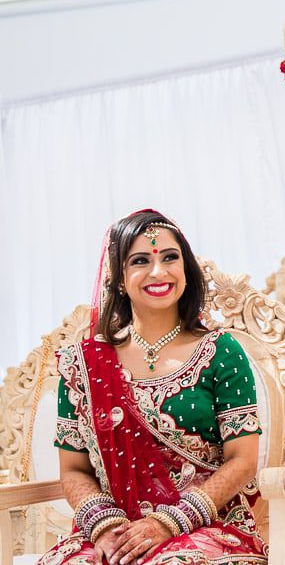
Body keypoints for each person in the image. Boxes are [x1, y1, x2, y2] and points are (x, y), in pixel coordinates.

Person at [40, 209, 266, 565]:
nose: (158, 272)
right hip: (111, 530)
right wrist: (104, 528)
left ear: (186, 270)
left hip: (205, 527)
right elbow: (73, 469)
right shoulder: (84, 365)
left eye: (170, 258)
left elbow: (243, 460)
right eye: (140, 260)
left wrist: (168, 523)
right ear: (118, 279)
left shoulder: (221, 352)